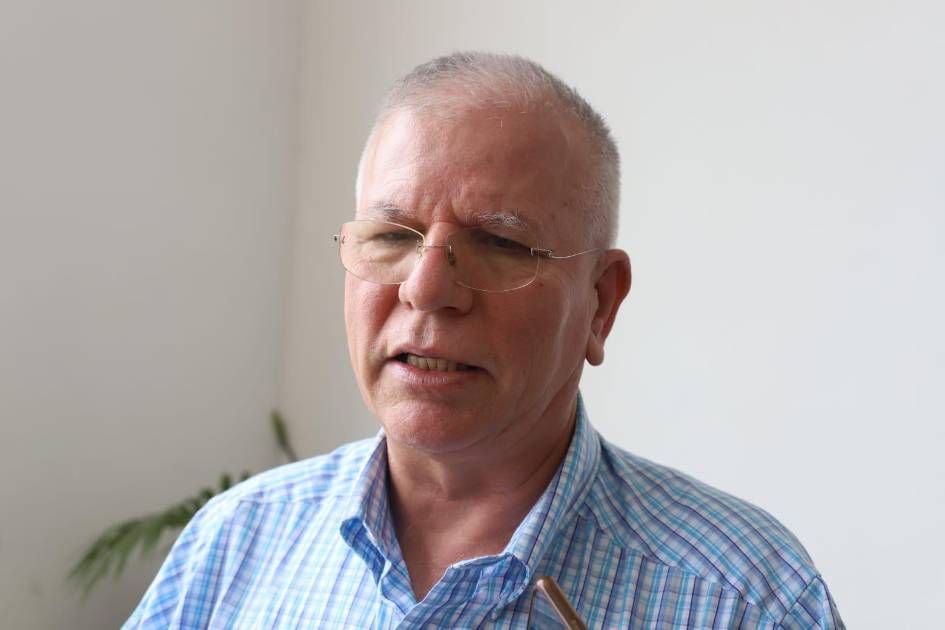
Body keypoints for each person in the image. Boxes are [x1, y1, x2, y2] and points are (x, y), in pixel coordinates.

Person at [125, 52, 844, 629]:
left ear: (599, 303)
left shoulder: (743, 598)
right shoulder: (238, 541)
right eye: (391, 236)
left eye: (500, 243)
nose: (427, 289)